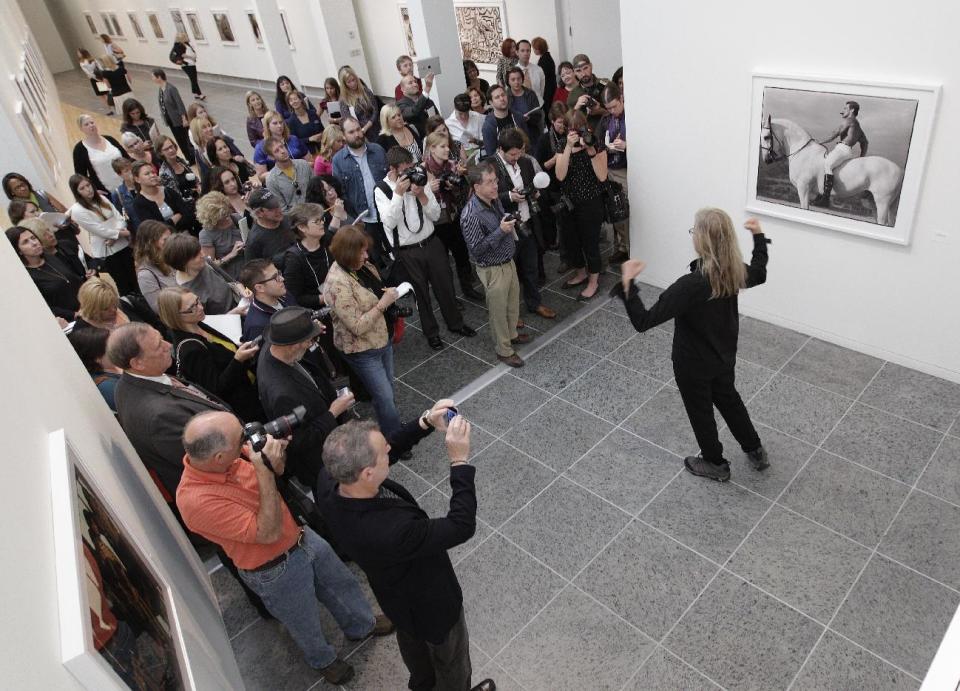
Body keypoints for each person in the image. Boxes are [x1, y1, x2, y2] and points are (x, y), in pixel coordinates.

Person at [176, 410, 393, 685]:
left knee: (342, 583)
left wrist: (274, 461)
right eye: (239, 437)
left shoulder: (229, 456)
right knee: (303, 621)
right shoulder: (196, 502)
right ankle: (323, 660)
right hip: (273, 569)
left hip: (302, 537)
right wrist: (264, 470)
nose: (247, 438)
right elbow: (267, 532)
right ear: (218, 458)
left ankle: (361, 624)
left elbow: (277, 472)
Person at [316, 416, 496, 691]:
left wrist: (424, 422)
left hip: (397, 601)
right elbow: (461, 526)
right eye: (383, 451)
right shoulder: (390, 531)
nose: (389, 448)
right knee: (451, 663)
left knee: (417, 658)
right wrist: (459, 462)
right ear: (366, 473)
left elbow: (386, 451)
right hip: (432, 606)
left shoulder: (331, 481)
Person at [614, 212, 771, 482]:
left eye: (694, 231)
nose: (693, 235)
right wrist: (758, 236)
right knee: (730, 401)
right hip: (723, 356)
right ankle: (755, 450)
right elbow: (759, 272)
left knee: (701, 412)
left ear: (703, 240)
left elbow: (644, 321)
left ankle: (715, 463)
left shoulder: (691, 285)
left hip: (693, 365)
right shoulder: (733, 270)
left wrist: (628, 284)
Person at [376, 145, 477, 350]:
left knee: (446, 286)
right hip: (407, 251)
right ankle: (432, 333)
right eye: (406, 170)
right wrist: (398, 194)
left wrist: (422, 194)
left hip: (431, 242)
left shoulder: (420, 178)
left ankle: (456, 323)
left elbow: (434, 214)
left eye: (412, 167)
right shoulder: (383, 189)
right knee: (421, 295)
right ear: (393, 169)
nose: (411, 173)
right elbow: (389, 222)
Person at [256, 307, 356, 485]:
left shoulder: (274, 346)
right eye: (309, 341)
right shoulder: (282, 394)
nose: (311, 344)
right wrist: (333, 413)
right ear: (293, 345)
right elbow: (300, 440)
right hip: (322, 462)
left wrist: (310, 331)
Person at [324, 225, 402, 435]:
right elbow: (357, 326)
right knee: (384, 394)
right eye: (362, 252)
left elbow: (375, 290)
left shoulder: (361, 266)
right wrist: (383, 304)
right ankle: (395, 436)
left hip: (382, 339)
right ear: (348, 253)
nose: (367, 256)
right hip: (362, 350)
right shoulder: (337, 283)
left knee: (387, 388)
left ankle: (388, 422)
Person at [157, 287, 264, 422]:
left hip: (250, 389)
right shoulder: (190, 349)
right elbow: (217, 389)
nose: (200, 307)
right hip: (244, 408)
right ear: (176, 316)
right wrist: (238, 360)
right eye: (192, 307)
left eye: (197, 301)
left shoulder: (198, 323)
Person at [460, 162, 526, 367]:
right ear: (476, 187)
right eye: (490, 182)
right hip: (492, 269)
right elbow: (476, 249)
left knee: (512, 303)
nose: (496, 186)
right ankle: (504, 350)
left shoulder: (493, 200)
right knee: (498, 311)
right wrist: (501, 231)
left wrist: (506, 221)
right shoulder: (470, 214)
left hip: (508, 261)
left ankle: (512, 334)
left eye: (495, 180)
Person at [490, 130, 557, 318]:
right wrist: (509, 196)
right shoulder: (489, 166)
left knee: (531, 268)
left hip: (527, 223)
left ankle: (534, 303)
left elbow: (533, 185)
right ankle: (512, 314)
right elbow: (486, 198)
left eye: (519, 152)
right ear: (500, 150)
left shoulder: (526, 162)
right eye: (512, 154)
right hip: (506, 230)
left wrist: (534, 192)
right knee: (509, 277)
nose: (516, 157)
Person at [422, 131, 484, 300]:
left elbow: (461, 189)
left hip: (453, 215)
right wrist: (430, 189)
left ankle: (468, 289)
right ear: (432, 148)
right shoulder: (423, 169)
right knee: (442, 264)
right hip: (436, 223)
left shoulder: (451, 164)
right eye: (442, 146)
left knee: (462, 255)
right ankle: (450, 299)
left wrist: (455, 183)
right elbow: (419, 199)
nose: (447, 149)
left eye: (447, 146)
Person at [555, 109, 608, 300]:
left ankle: (594, 280)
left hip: (591, 203)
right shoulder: (562, 145)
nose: (579, 134)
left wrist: (591, 150)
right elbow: (560, 175)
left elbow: (602, 176)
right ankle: (580, 273)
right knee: (571, 242)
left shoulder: (596, 143)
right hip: (569, 204)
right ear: (567, 131)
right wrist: (569, 148)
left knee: (590, 243)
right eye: (574, 131)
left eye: (582, 129)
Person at [67, 174, 137, 295]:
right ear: (77, 192)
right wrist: (121, 233)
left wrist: (117, 235)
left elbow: (118, 217)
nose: (87, 189)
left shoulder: (101, 198)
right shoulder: (78, 210)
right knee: (123, 283)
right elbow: (98, 229)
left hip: (121, 244)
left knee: (134, 277)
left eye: (88, 185)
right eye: (82, 188)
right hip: (107, 250)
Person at [332, 117, 388, 254]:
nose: (357, 134)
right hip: (364, 220)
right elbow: (341, 192)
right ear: (344, 136)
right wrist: (354, 219)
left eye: (358, 129)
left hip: (387, 212)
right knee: (375, 256)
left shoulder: (378, 150)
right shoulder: (338, 160)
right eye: (351, 132)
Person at [6, 226, 84, 319]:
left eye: (33, 238)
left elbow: (74, 279)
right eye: (25, 242)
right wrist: (74, 315)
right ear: (18, 251)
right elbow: (45, 307)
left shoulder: (49, 257)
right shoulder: (27, 277)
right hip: (71, 320)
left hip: (88, 307)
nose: (34, 243)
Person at [162, 233, 245, 315]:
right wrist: (231, 315)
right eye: (196, 255)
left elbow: (232, 281)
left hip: (240, 304)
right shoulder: (184, 294)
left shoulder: (205, 263)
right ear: (183, 263)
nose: (203, 255)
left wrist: (240, 289)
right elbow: (205, 322)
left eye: (200, 250)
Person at [812, 100, 869, 207]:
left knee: (827, 165)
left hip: (842, 149)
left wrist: (820, 142)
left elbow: (834, 134)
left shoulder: (849, 120)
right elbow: (865, 142)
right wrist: (862, 157)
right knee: (825, 164)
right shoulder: (858, 126)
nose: (843, 111)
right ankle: (820, 194)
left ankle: (825, 199)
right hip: (847, 150)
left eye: (845, 108)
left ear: (851, 110)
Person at [283, 203, 335, 310]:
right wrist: (323, 298)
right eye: (317, 221)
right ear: (302, 227)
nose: (322, 223)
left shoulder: (328, 240)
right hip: (319, 311)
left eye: (321, 219)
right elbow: (296, 297)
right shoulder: (294, 258)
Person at [534, 102, 570, 258]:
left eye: (565, 122)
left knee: (569, 223)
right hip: (553, 187)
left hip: (570, 183)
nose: (563, 126)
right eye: (560, 122)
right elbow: (538, 167)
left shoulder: (571, 135)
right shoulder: (543, 140)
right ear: (552, 122)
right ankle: (564, 256)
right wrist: (555, 160)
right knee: (561, 223)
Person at [599, 84, 629, 263]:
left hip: (626, 170)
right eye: (608, 108)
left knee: (625, 212)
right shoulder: (606, 119)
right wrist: (607, 147)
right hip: (610, 167)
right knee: (615, 212)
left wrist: (626, 146)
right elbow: (599, 143)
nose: (612, 111)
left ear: (622, 99)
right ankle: (621, 247)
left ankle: (629, 248)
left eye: (614, 106)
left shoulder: (631, 117)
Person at [239, 259, 296, 342]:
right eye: (275, 277)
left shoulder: (284, 295)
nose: (282, 279)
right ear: (259, 287)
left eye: (279, 273)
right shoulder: (258, 327)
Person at [132, 159, 196, 233]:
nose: (152, 175)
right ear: (137, 179)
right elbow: (154, 230)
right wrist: (173, 220)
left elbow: (188, 215)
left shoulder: (168, 191)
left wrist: (168, 224)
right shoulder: (139, 203)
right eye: (147, 174)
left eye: (153, 172)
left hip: (187, 233)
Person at [67, 326, 121, 412]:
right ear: (97, 358)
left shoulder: (112, 366)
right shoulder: (105, 386)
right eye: (112, 346)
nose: (119, 347)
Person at [72, 114, 127, 193]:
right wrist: (94, 190)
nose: (91, 126)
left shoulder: (110, 139)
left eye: (92, 122)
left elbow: (126, 157)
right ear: (81, 129)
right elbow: (80, 176)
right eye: (86, 124)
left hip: (128, 184)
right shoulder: (79, 149)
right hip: (107, 192)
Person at [196, 191, 245, 277]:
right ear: (213, 218)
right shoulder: (206, 234)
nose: (227, 217)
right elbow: (210, 266)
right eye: (222, 215)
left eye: (227, 212)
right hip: (234, 274)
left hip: (251, 265)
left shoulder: (235, 218)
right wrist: (231, 255)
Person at [152, 68, 194, 166]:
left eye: (153, 77)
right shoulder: (161, 89)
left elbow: (179, 104)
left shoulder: (171, 88)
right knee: (179, 141)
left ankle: (193, 156)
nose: (152, 79)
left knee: (185, 140)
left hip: (179, 120)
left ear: (159, 77)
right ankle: (188, 158)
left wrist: (184, 118)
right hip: (171, 121)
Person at [245, 188, 296, 267]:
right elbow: (254, 271)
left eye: (277, 204)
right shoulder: (254, 242)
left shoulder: (288, 220)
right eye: (272, 208)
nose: (278, 209)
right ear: (259, 213)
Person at [134, 220, 176, 312]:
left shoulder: (171, 257)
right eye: (165, 240)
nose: (171, 242)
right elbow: (158, 308)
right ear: (151, 243)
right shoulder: (145, 275)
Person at [264, 137, 314, 212]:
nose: (282, 151)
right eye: (276, 151)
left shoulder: (303, 164)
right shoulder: (271, 180)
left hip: (315, 208)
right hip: (296, 218)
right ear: (271, 157)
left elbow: (317, 188)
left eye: (282, 147)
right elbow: (283, 209)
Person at [253, 111, 307, 176]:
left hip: (301, 176)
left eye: (281, 122)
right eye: (275, 123)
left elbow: (308, 159)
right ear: (268, 126)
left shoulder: (294, 139)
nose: (279, 126)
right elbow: (261, 176)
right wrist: (282, 172)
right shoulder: (261, 147)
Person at [567, 54, 608, 132]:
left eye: (585, 68)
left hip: (608, 131)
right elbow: (568, 124)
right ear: (574, 72)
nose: (583, 73)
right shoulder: (573, 95)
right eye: (578, 71)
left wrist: (601, 110)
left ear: (591, 66)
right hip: (586, 136)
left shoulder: (605, 84)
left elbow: (620, 113)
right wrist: (576, 107)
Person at [155, 134, 200, 205]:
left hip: (199, 198)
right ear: (161, 153)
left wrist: (199, 186)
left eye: (171, 146)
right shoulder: (164, 173)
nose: (171, 150)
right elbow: (177, 198)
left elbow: (195, 179)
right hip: (188, 205)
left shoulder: (181, 160)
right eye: (166, 149)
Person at [481, 85, 524, 159]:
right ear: (491, 102)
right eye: (497, 97)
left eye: (503, 95)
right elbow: (491, 154)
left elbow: (526, 141)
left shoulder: (518, 116)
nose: (502, 99)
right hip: (503, 163)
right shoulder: (488, 126)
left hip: (522, 157)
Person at [338, 66, 381, 140]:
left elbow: (375, 110)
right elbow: (347, 119)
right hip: (358, 133)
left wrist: (367, 126)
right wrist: (360, 130)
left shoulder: (366, 91)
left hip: (374, 126)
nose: (353, 83)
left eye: (353, 80)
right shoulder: (343, 100)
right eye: (349, 82)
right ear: (344, 84)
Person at [505, 67, 542, 148]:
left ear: (522, 79)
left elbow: (538, 115)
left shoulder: (530, 94)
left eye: (519, 79)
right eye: (513, 79)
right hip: (513, 137)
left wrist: (529, 119)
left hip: (531, 134)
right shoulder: (505, 96)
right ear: (508, 81)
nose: (516, 82)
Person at [445, 94, 485, 161]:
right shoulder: (448, 123)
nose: (463, 116)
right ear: (455, 107)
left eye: (466, 113)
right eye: (460, 113)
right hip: (459, 159)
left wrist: (476, 141)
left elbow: (486, 141)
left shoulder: (478, 117)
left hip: (480, 155)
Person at [2, 172, 67, 212]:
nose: (23, 188)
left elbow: (63, 210)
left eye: (23, 184)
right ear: (11, 192)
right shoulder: (16, 209)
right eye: (17, 188)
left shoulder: (42, 194)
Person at [77, 48, 113, 114]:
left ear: (82, 53)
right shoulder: (93, 59)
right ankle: (113, 106)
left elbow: (89, 73)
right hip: (100, 77)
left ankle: (110, 110)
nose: (78, 54)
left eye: (79, 53)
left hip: (94, 79)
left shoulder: (82, 63)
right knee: (106, 93)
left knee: (101, 96)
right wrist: (101, 77)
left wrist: (96, 79)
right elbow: (100, 68)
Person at [170, 32, 204, 100]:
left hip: (191, 63)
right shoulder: (178, 45)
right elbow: (182, 55)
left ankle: (195, 93)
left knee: (193, 79)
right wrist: (191, 57)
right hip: (186, 64)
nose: (187, 37)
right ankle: (200, 94)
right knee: (193, 79)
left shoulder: (186, 43)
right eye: (185, 36)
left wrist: (194, 57)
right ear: (182, 37)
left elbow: (190, 51)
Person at [515, 40, 545, 105]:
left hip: (538, 107)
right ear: (517, 52)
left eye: (528, 50)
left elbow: (542, 91)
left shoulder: (538, 70)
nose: (526, 53)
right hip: (520, 109)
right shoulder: (512, 72)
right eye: (522, 51)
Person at [532, 37, 556, 113]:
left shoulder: (545, 60)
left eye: (534, 48)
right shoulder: (546, 57)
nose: (533, 50)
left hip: (548, 90)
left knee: (547, 110)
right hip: (549, 87)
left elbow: (541, 77)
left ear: (539, 49)